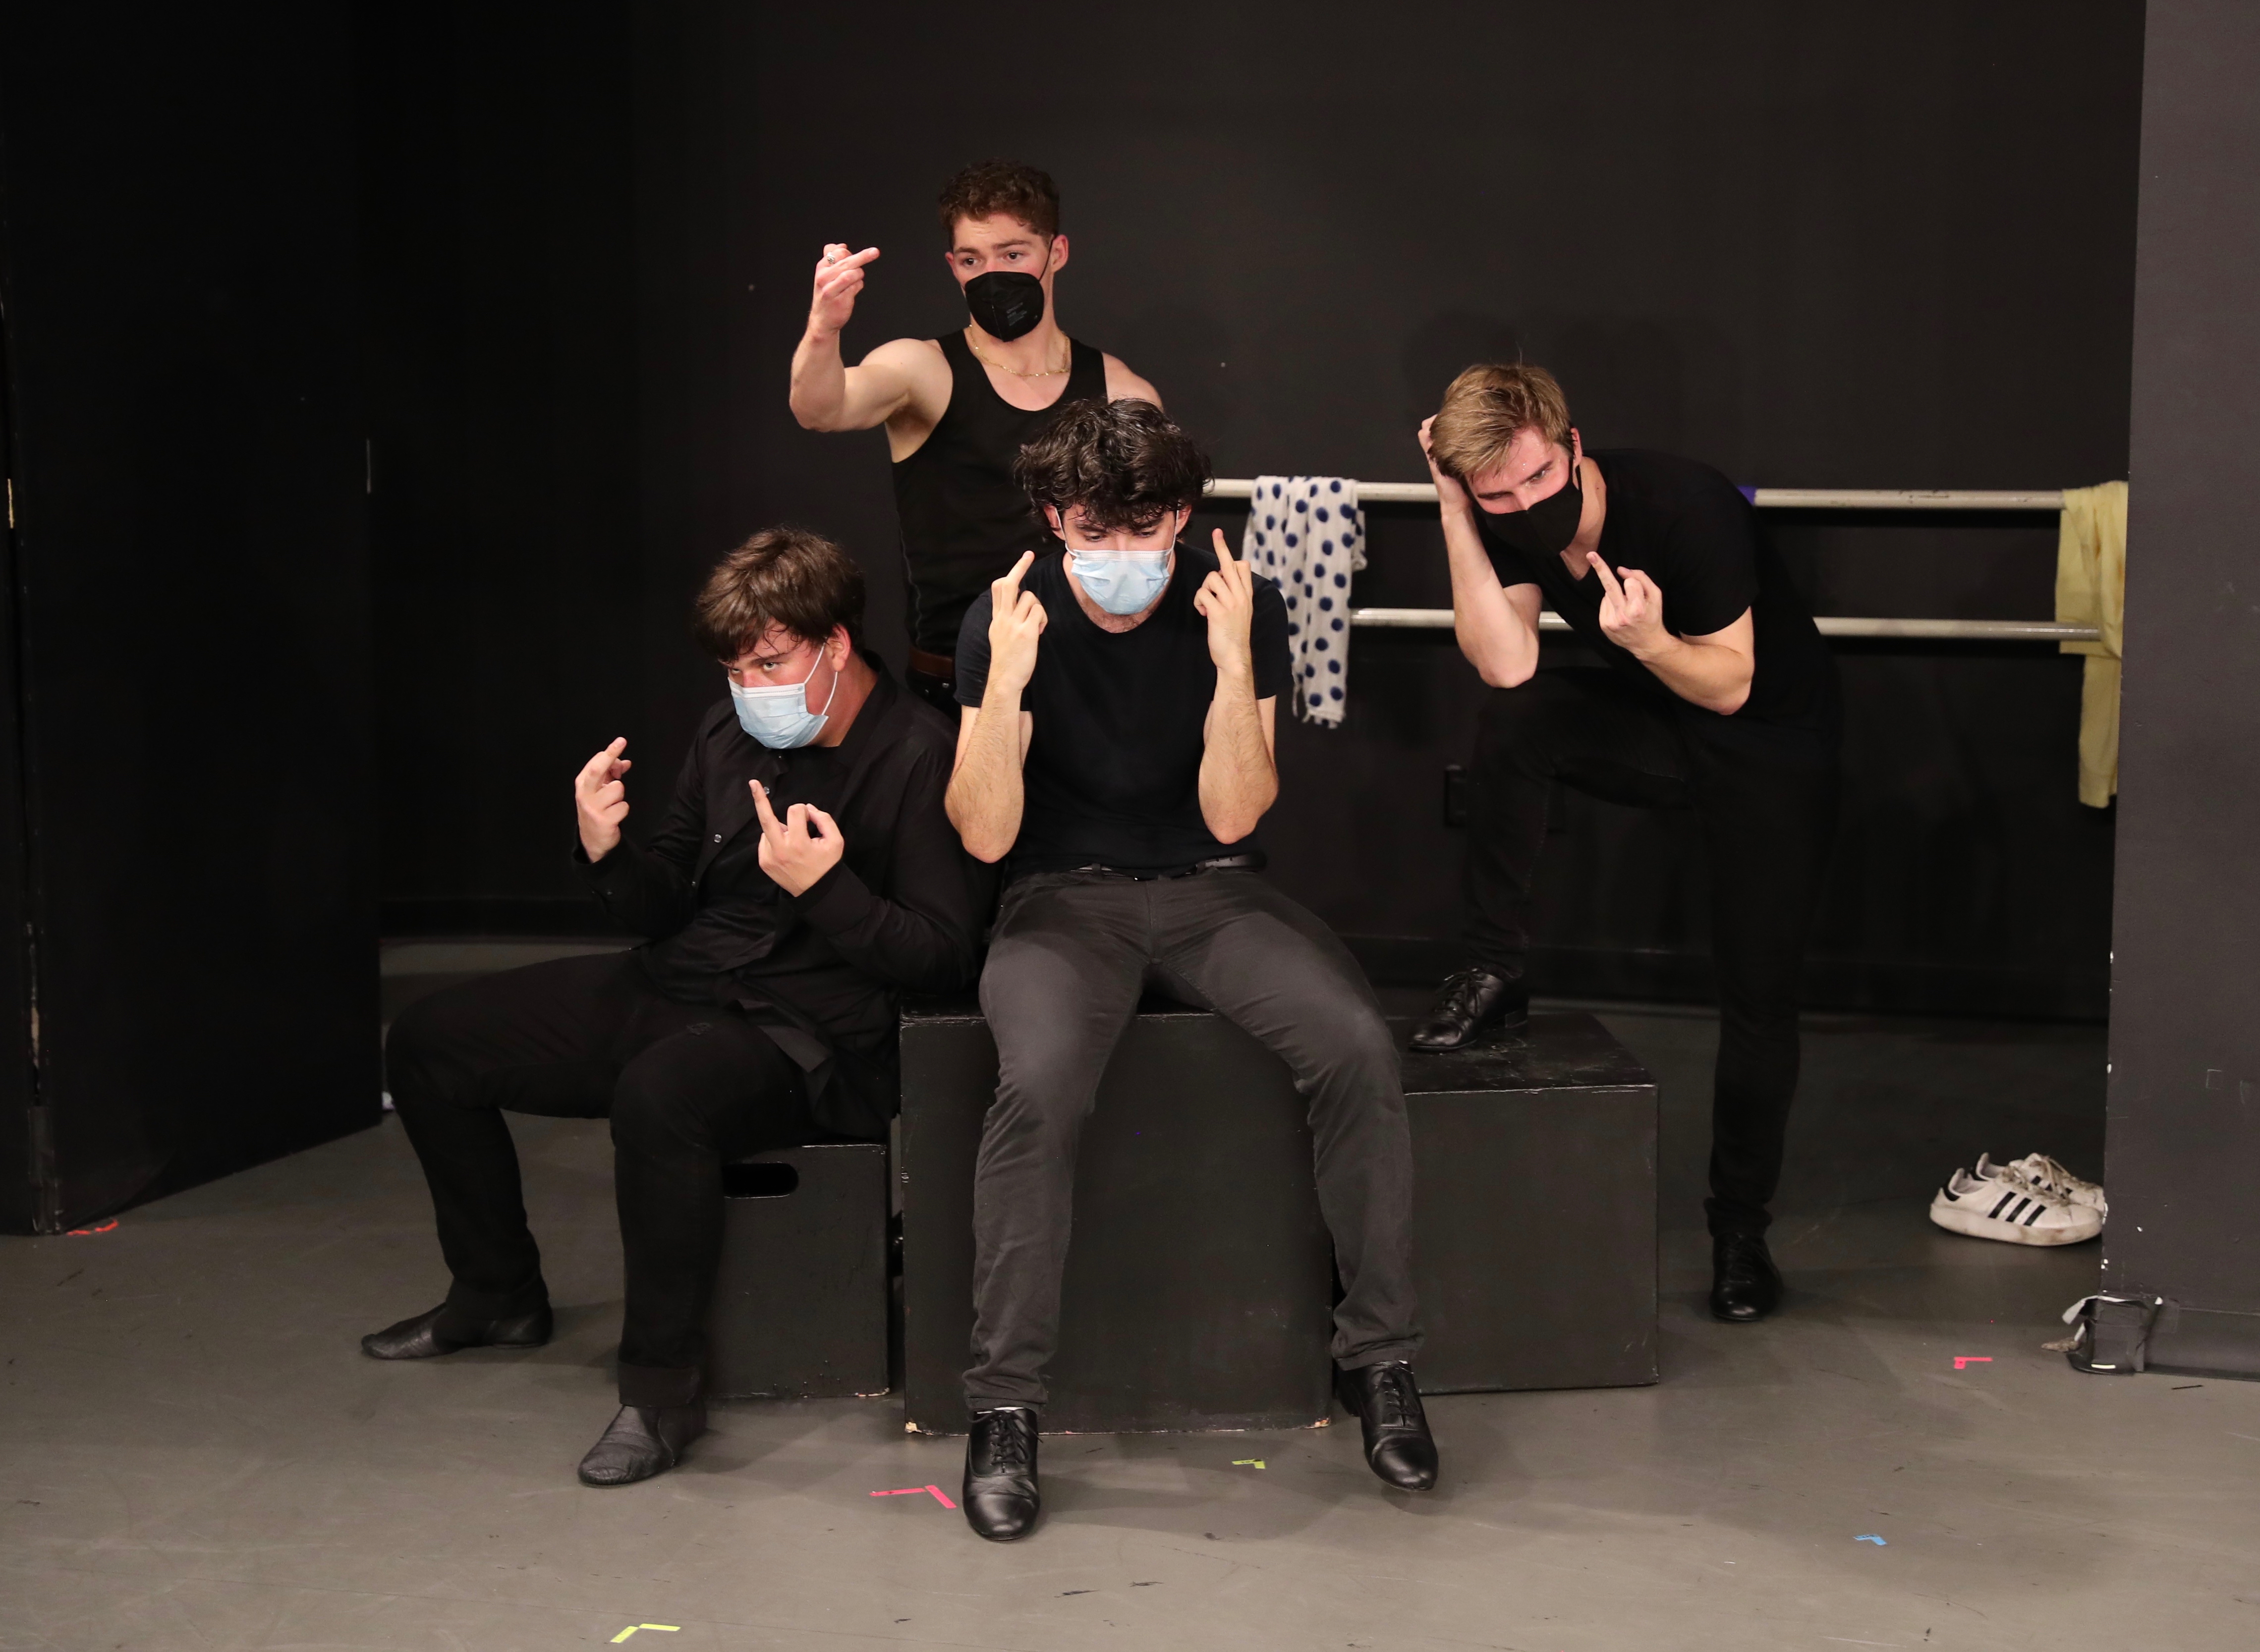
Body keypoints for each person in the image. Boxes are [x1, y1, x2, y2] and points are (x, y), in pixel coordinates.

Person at [363, 529, 978, 1485]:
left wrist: (829, 892)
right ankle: (496, 1292)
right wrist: (607, 851)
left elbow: (945, 957)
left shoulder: (921, 755)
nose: (751, 686)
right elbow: (665, 907)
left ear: (836, 643)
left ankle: (659, 1394)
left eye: (770, 662)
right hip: (684, 979)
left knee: (662, 1095)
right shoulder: (729, 733)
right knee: (429, 1041)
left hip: (812, 1033)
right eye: (735, 668)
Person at [943, 397, 1436, 1542]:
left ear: (1179, 516)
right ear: (1056, 518)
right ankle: (1004, 1405)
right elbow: (984, 834)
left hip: (1211, 888)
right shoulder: (1005, 615)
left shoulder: (1238, 604)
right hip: (1061, 897)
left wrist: (1227, 661)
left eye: (1143, 528)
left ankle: (1381, 1359)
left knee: (1356, 1047)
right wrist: (1005, 682)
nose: (1120, 555)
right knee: (1039, 1086)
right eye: (1094, 532)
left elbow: (1233, 812)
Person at [1410, 363, 1839, 1326]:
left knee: (1759, 996)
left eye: (1539, 479)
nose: (1525, 505)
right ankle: (1493, 967)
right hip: (1666, 724)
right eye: (1497, 494)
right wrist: (1454, 509)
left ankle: (1740, 1234)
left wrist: (1648, 642)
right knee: (1518, 723)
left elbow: (1731, 683)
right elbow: (1507, 663)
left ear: (1573, 445)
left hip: (1770, 742)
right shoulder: (1495, 508)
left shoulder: (1685, 504)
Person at [788, 159, 1162, 713]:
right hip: (952, 687)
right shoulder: (922, 369)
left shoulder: (1121, 390)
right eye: (972, 260)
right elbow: (821, 410)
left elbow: (1151, 545)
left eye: (1013, 254)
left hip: (1085, 679)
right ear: (953, 267)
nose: (992, 274)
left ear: (1056, 252)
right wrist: (825, 328)